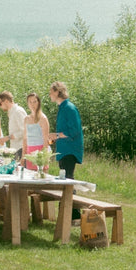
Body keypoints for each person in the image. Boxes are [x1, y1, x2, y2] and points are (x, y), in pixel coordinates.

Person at [49, 81, 84, 221]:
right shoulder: (62, 108)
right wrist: (55, 138)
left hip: (70, 150)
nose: (50, 95)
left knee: (68, 181)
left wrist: (56, 135)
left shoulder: (69, 108)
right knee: (66, 180)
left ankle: (73, 215)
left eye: (51, 92)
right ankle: (71, 215)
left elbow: (74, 131)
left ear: (58, 92)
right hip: (64, 149)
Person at [22, 92, 50, 170]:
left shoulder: (43, 118)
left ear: (38, 103)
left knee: (40, 176)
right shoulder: (26, 119)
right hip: (29, 151)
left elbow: (45, 139)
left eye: (34, 102)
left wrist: (45, 156)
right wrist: (23, 156)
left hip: (40, 151)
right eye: (30, 102)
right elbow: (25, 139)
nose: (32, 104)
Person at [0, 91, 27, 159]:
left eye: (0, 103)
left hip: (21, 148)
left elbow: (24, 131)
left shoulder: (18, 111)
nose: (0, 106)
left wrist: (7, 138)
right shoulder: (12, 112)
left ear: (6, 101)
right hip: (15, 148)